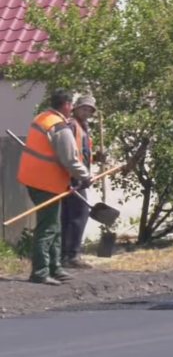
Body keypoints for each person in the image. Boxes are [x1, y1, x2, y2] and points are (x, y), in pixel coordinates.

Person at [17, 88, 92, 285]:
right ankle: (40, 272)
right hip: (46, 183)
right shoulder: (59, 127)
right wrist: (85, 176)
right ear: (67, 105)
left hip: (34, 179)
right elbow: (70, 159)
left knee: (55, 224)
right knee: (48, 227)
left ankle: (55, 268)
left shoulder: (42, 118)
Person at [61, 95, 103, 269]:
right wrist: (78, 176)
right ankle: (71, 256)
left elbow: (83, 154)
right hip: (72, 177)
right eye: (84, 108)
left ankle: (67, 255)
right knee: (78, 215)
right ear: (76, 108)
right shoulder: (71, 126)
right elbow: (69, 153)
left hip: (78, 176)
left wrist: (97, 157)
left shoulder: (83, 128)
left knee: (71, 216)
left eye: (90, 110)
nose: (87, 112)